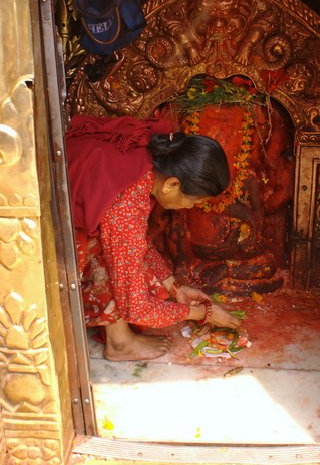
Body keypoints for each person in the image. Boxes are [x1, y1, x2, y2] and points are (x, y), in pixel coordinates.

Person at [65, 113, 243, 361]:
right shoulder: (125, 205)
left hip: (67, 207)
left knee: (128, 254)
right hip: (44, 231)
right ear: (171, 184)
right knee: (125, 269)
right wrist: (202, 313)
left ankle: (119, 339)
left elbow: (136, 242)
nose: (189, 209)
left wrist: (175, 287)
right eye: (192, 202)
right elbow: (136, 309)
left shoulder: (154, 157)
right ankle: (120, 343)